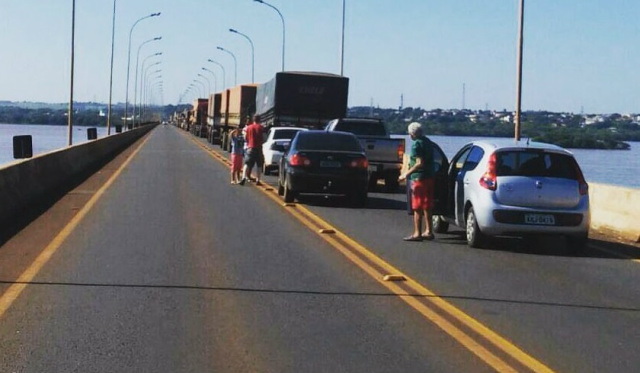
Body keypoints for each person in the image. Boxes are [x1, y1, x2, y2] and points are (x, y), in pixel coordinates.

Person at [398, 122, 436, 242]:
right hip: (430, 176)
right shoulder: (428, 142)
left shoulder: (416, 145)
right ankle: (429, 230)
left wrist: (406, 174)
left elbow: (419, 163)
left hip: (419, 178)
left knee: (417, 207)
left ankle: (417, 233)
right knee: (427, 205)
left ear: (412, 133)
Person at [239, 114, 265, 186]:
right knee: (259, 165)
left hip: (250, 148)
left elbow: (245, 138)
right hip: (259, 148)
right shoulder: (261, 128)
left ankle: (243, 178)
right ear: (259, 120)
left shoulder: (249, 127)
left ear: (253, 119)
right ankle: (258, 180)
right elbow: (264, 138)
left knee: (247, 163)